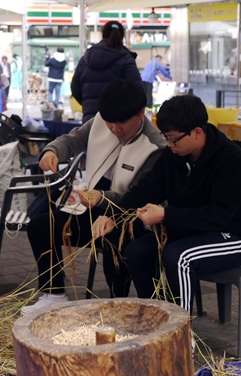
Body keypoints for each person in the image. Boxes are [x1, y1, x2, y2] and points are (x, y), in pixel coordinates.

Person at [92, 95, 241, 314]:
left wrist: (165, 216)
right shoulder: (173, 156)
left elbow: (219, 215)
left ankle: (180, 332)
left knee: (178, 257)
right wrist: (113, 215)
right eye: (166, 138)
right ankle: (156, 318)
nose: (169, 144)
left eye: (173, 139)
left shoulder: (232, 160)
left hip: (230, 234)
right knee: (137, 251)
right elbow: (145, 190)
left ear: (197, 132)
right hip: (188, 232)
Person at [23, 80, 166, 314]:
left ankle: (116, 304)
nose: (114, 129)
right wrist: (52, 151)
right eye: (109, 122)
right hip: (92, 209)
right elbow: (72, 140)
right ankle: (54, 294)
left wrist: (103, 197)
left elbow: (139, 197)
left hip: (130, 218)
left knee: (115, 239)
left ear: (141, 113)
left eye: (121, 123)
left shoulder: (155, 146)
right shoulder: (102, 121)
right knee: (41, 226)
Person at [71, 21, 142, 122]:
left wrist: (88, 103)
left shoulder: (85, 59)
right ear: (122, 36)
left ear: (103, 34)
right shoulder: (126, 59)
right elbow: (138, 92)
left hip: (89, 121)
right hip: (118, 122)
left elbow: (75, 88)